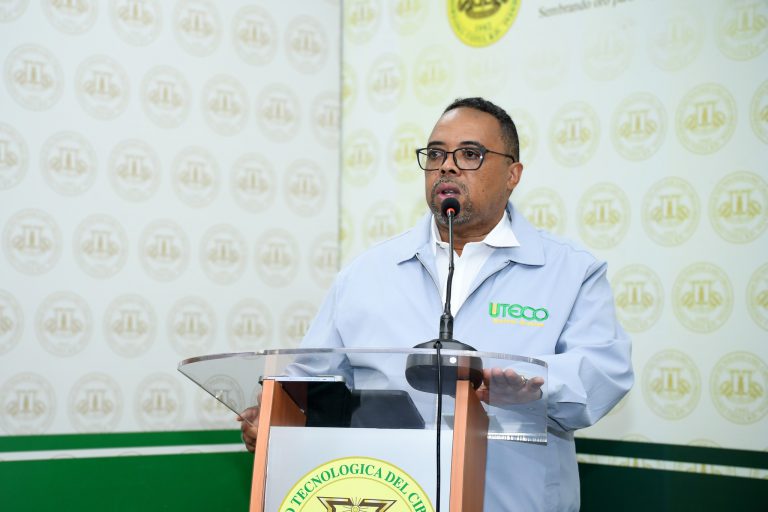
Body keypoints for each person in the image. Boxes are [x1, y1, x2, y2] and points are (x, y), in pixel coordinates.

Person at [240, 97, 633, 511]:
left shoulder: (570, 271)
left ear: (512, 174)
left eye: (470, 154)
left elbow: (605, 373)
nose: (447, 166)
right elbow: (307, 382)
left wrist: (533, 385)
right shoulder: (366, 274)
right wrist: (273, 419)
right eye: (436, 154)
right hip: (389, 499)